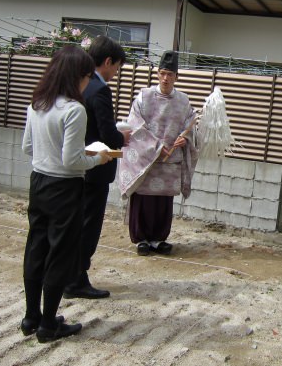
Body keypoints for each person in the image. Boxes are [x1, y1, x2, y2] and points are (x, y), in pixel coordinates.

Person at [20, 46, 112, 343]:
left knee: (36, 248)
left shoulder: (37, 103)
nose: (88, 83)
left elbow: (27, 148)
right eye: (87, 77)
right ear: (78, 77)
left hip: (38, 183)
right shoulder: (74, 110)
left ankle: (31, 317)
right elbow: (73, 161)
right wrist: (99, 158)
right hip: (66, 188)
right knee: (60, 255)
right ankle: (49, 325)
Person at [64, 36, 131, 300]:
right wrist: (122, 137)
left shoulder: (76, 85)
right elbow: (106, 134)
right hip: (95, 168)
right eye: (117, 67)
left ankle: (70, 276)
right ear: (107, 61)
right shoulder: (100, 89)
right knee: (89, 226)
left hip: (73, 167)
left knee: (73, 224)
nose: (116, 73)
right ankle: (77, 279)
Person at [117, 50, 200, 256]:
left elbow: (191, 125)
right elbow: (135, 125)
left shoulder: (183, 100)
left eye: (170, 74)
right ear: (157, 74)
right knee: (144, 198)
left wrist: (185, 138)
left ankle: (158, 238)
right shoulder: (144, 97)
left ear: (176, 77)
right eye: (162, 73)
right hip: (147, 159)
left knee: (163, 201)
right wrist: (155, 146)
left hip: (170, 159)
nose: (165, 78)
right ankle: (142, 239)